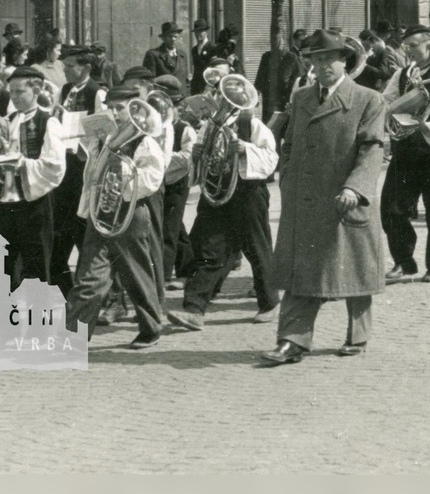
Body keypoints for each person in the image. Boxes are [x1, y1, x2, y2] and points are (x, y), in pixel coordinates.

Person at [261, 29, 387, 365]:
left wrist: (355, 187)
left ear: (344, 60)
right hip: (304, 199)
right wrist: (286, 176)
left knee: (353, 268)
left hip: (344, 197)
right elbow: (289, 142)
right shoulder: (301, 97)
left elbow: (372, 148)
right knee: (300, 272)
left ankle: (358, 335)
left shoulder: (368, 99)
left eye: (329, 58)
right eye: (316, 59)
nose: (323, 65)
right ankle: (292, 341)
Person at [165, 72, 280, 331]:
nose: (224, 102)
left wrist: (244, 149)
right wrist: (197, 155)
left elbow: (271, 157)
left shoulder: (252, 124)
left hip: (248, 193)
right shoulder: (211, 125)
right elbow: (205, 161)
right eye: (220, 96)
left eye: (229, 99)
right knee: (208, 248)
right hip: (216, 193)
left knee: (256, 248)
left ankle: (270, 302)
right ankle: (194, 309)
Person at [63, 86, 167, 350]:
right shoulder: (102, 140)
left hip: (130, 214)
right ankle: (73, 339)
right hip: (101, 213)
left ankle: (151, 326)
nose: (115, 113)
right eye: (111, 108)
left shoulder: (145, 141)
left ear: (136, 110)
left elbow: (152, 180)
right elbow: (92, 176)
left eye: (121, 108)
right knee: (88, 277)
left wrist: (124, 174)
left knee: (135, 273)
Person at [379, 25, 430, 280]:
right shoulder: (402, 74)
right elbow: (385, 102)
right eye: (405, 46)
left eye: (413, 45)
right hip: (406, 147)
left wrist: (425, 127)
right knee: (391, 207)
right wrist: (390, 114)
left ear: (429, 45)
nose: (409, 51)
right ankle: (404, 260)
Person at [0, 68, 66, 290]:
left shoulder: (48, 121)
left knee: (36, 262)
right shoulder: (8, 120)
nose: (13, 97)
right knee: (1, 260)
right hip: (6, 200)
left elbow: (56, 165)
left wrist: (22, 164)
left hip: (35, 200)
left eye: (20, 92)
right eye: (11, 92)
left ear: (37, 89)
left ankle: (38, 319)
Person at [50, 46, 106, 294]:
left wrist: (80, 138)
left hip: (84, 169)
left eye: (69, 66)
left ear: (86, 68)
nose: (65, 71)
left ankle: (96, 289)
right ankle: (65, 289)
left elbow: (104, 132)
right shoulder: (65, 90)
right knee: (61, 231)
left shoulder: (97, 92)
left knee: (83, 234)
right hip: (65, 169)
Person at [150, 75, 196, 290]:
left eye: (171, 106)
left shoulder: (185, 129)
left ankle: (163, 276)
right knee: (176, 227)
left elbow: (188, 158)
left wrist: (164, 156)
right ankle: (187, 269)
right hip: (162, 182)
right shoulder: (155, 128)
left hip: (177, 182)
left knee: (168, 230)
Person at [254, 30, 306, 124]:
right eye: (274, 41)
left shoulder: (288, 55)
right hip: (269, 95)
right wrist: (256, 92)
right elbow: (260, 76)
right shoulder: (267, 56)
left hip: (281, 97)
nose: (277, 44)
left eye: (279, 41)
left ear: (282, 42)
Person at [188, 19, 217, 95]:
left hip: (208, 86)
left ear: (206, 32)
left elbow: (215, 70)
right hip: (196, 87)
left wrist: (210, 86)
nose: (198, 34)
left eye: (201, 31)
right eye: (196, 32)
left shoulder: (212, 47)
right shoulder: (194, 49)